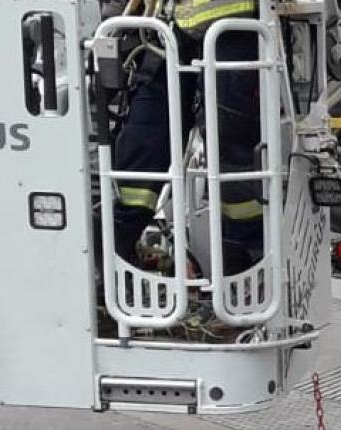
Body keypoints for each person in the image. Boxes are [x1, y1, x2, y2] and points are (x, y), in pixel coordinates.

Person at [113, 0, 265, 278]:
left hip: (233, 29)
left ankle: (244, 276)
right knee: (143, 145)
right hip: (168, 31)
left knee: (234, 161)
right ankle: (114, 265)